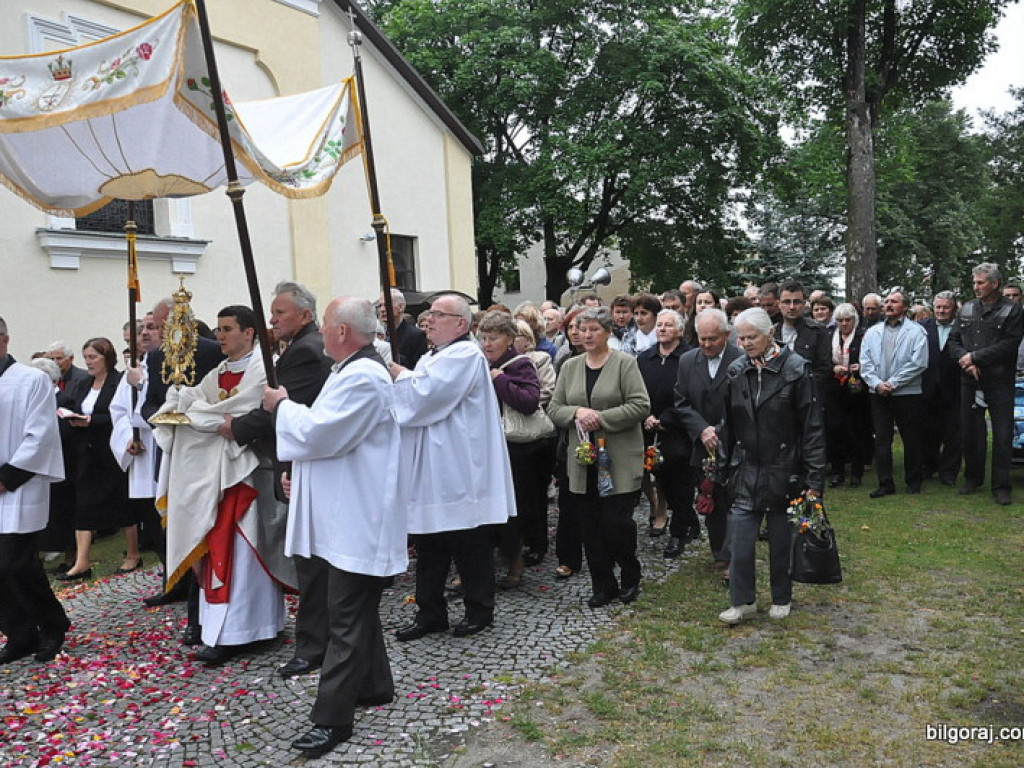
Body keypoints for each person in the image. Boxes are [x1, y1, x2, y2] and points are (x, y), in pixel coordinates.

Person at [265, 297, 406, 758]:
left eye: (326, 325)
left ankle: (332, 719)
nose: (322, 333)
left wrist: (282, 406)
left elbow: (318, 433)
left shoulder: (363, 377)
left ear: (343, 332)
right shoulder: (350, 372)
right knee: (354, 607)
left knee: (344, 615)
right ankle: (376, 686)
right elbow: (333, 442)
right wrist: (298, 470)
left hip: (358, 518)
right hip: (345, 512)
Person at [152, 306, 293, 665]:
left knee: (246, 552)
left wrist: (204, 416)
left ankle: (251, 628)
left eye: (228, 329)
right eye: (218, 329)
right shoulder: (218, 371)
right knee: (220, 547)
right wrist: (191, 405)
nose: (220, 336)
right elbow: (198, 403)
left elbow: (248, 409)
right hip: (218, 473)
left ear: (249, 332)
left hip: (246, 470)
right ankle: (225, 630)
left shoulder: (264, 366)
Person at [220, 282, 332, 678]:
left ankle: (314, 643)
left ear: (305, 315)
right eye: (272, 312)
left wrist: (238, 427)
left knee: (310, 558)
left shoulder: (305, 352)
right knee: (307, 555)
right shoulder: (298, 347)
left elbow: (282, 409)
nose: (272, 319)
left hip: (300, 464)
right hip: (297, 462)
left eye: (280, 313)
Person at [390, 294, 516, 641]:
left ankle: (480, 609)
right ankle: (430, 612)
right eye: (428, 314)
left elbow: (427, 398)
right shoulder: (437, 354)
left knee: (468, 542)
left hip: (459, 466)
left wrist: (400, 375)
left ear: (461, 323)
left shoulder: (465, 354)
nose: (428, 320)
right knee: (429, 544)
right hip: (432, 466)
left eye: (437, 315)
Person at [717, 308, 825, 623]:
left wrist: (814, 479)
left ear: (769, 334)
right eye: (741, 337)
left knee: (782, 539)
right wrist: (723, 468)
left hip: (785, 468)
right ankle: (742, 601)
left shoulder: (796, 370)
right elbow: (728, 425)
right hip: (747, 465)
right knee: (740, 538)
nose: (745, 342)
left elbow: (812, 428)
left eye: (752, 337)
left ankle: (782, 595)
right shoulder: (737, 371)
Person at [548, 306, 650, 607]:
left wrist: (601, 418)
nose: (587, 335)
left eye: (594, 329)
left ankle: (630, 575)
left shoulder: (625, 364)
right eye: (583, 329)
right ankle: (602, 584)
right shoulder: (570, 366)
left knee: (617, 523)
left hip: (617, 458)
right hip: (582, 460)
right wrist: (577, 412)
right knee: (589, 526)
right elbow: (554, 408)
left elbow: (640, 405)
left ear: (607, 332)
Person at [0, 316, 71, 664]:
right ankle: (19, 634)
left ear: (5, 340)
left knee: (15, 563)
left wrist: (7, 476)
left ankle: (53, 623)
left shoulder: (31, 380)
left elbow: (41, 433)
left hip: (19, 484)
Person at [663, 308, 739, 564]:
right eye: (702, 338)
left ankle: (734, 555)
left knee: (735, 501)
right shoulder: (687, 361)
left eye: (712, 339)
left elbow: (746, 404)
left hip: (736, 442)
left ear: (726, 335)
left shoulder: (740, 360)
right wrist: (702, 429)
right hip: (701, 444)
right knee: (712, 496)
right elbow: (681, 402)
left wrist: (719, 430)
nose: (706, 344)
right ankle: (720, 551)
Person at [57, 338, 136, 581]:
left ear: (106, 358)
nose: (88, 362)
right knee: (83, 505)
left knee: (121, 502)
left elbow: (122, 415)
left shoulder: (119, 381)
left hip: (110, 449)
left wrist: (93, 421)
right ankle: (82, 561)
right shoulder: (83, 384)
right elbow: (77, 406)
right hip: (86, 451)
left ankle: (133, 554)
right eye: (86, 358)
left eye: (93, 357)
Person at [480, 312, 550, 587]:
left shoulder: (519, 364)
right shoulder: (478, 363)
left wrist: (500, 379)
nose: (487, 343)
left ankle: (515, 564)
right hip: (489, 446)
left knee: (513, 510)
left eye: (493, 338)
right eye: (483, 337)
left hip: (517, 450)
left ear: (509, 339)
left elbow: (530, 401)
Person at [948, 263, 1024, 504]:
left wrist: (976, 357)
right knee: (971, 433)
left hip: (1000, 382)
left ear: (994, 284)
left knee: (1002, 436)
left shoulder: (1012, 310)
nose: (976, 287)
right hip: (969, 380)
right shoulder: (967, 309)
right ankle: (973, 478)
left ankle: (1001, 486)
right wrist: (966, 361)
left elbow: (1010, 344)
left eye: (980, 283)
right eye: (975, 282)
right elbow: (953, 340)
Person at [859, 292, 928, 497]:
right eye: (886, 302)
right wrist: (877, 384)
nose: (888, 305)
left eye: (894, 302)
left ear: (905, 307)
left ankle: (914, 482)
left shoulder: (917, 332)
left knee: (912, 439)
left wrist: (894, 383)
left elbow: (919, 362)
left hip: (907, 394)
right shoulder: (873, 332)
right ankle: (885, 483)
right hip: (879, 394)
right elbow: (865, 362)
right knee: (882, 440)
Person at [110, 314, 163, 578]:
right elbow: (118, 411)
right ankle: (171, 578)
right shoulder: (133, 370)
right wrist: (128, 438)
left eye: (150, 329)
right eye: (141, 329)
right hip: (141, 454)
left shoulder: (170, 366)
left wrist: (141, 384)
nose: (143, 334)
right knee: (152, 523)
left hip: (163, 446)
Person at [636, 309, 694, 545]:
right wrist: (646, 415)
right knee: (657, 476)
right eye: (659, 325)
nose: (662, 329)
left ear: (680, 330)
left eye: (668, 325)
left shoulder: (689, 358)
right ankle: (686, 520)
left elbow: (691, 394)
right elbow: (636, 390)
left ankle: (679, 532)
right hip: (648, 427)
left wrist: (666, 419)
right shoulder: (644, 358)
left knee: (679, 483)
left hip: (677, 429)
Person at [824, 303, 872, 488]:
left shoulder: (863, 336)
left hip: (856, 389)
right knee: (834, 429)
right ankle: (837, 472)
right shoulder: (829, 336)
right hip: (834, 388)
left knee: (857, 430)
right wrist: (833, 367)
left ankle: (856, 473)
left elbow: (871, 358)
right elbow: (822, 360)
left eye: (847, 320)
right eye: (840, 320)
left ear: (854, 320)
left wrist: (860, 367)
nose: (844, 324)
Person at [920, 292, 962, 486]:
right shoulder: (922, 328)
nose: (941, 311)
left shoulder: (963, 327)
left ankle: (948, 472)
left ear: (953, 308)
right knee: (928, 431)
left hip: (955, 389)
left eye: (945, 307)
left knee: (953, 433)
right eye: (938, 307)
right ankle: (928, 466)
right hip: (928, 389)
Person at [774, 279, 831, 388]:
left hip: (807, 395)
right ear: (779, 304)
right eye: (786, 302)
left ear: (804, 304)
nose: (792, 307)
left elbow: (824, 370)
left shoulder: (818, 331)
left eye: (796, 302)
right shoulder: (771, 333)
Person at [379, 288, 429, 368]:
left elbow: (418, 368)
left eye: (386, 305)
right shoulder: (379, 335)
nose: (382, 309)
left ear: (401, 307)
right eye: (380, 305)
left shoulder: (416, 336)